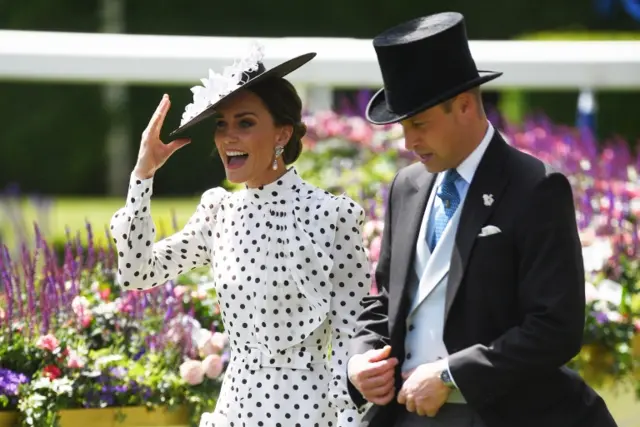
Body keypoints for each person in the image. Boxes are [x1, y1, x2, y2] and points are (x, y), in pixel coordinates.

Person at [345, 12, 618, 427]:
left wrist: (452, 374)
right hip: (403, 415)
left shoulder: (537, 188)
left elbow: (555, 328)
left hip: (501, 415)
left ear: (466, 105)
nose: (408, 141)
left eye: (419, 123)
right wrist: (360, 358)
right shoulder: (407, 185)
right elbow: (385, 300)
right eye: (403, 127)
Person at [110, 43, 371, 427]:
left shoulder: (332, 215)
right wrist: (143, 174)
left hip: (311, 412)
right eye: (221, 124)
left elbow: (354, 333)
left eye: (245, 122)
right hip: (237, 408)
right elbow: (136, 273)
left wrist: (348, 419)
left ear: (281, 133)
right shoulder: (219, 212)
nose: (228, 136)